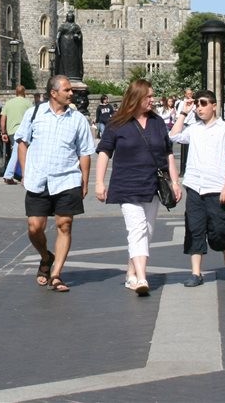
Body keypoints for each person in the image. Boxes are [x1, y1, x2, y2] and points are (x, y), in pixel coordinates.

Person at [93, 79, 181, 296]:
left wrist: (175, 181)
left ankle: (131, 271)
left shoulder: (157, 122)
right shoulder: (117, 123)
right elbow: (104, 152)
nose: (152, 100)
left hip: (153, 185)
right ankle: (142, 278)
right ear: (136, 97)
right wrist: (99, 182)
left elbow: (168, 152)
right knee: (137, 229)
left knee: (147, 231)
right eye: (148, 96)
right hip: (126, 184)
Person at [15, 75, 95, 293]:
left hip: (67, 178)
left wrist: (84, 182)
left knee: (65, 225)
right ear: (53, 93)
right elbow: (22, 143)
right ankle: (45, 256)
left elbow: (85, 152)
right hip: (38, 178)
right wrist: (25, 172)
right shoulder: (34, 114)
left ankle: (56, 274)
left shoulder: (77, 119)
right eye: (67, 90)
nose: (71, 93)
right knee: (34, 227)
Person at [169, 90, 225, 287]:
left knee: (219, 230)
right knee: (194, 229)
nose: (199, 107)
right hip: (194, 186)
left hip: (216, 188)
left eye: (203, 103)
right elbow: (174, 136)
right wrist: (184, 112)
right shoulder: (193, 129)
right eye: (197, 104)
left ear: (214, 105)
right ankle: (196, 273)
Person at [0, 84, 33, 184]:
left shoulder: (8, 103)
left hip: (11, 131)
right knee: (17, 153)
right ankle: (8, 175)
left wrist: (3, 132)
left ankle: (20, 174)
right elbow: (33, 118)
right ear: (24, 93)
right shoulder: (28, 103)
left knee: (18, 152)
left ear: (15, 92)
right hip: (23, 131)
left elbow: (3, 119)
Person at [54, 11, 84, 81]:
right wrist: (57, 46)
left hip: (74, 46)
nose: (70, 17)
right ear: (67, 18)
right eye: (69, 16)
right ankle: (63, 75)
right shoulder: (63, 26)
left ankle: (74, 75)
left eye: (71, 16)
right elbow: (58, 36)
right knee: (64, 60)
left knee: (73, 61)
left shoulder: (76, 26)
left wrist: (78, 37)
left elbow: (80, 36)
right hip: (64, 45)